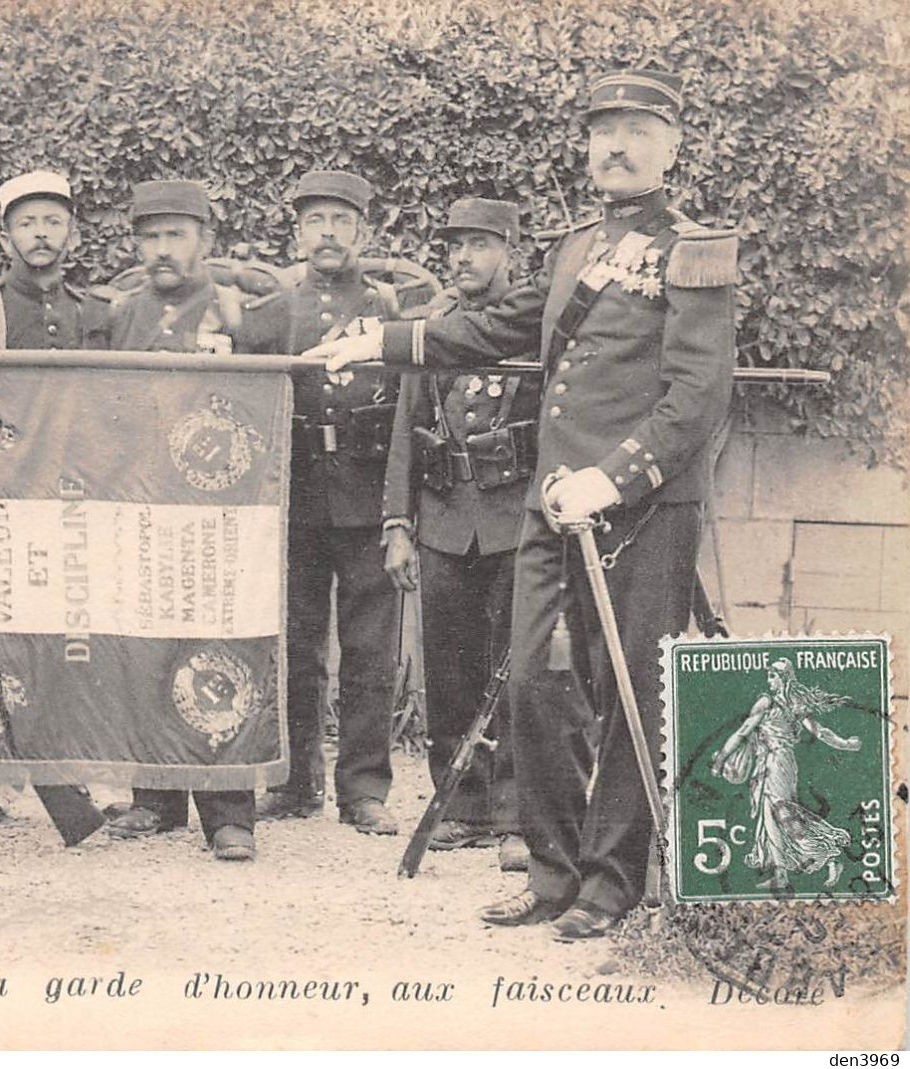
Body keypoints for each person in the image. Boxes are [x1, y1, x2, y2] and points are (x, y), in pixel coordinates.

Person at [309, 69, 738, 939]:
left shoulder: (695, 250)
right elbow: (501, 331)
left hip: (641, 509)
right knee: (537, 692)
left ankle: (612, 883)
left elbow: (697, 396)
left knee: (630, 695)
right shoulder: (574, 247)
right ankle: (552, 871)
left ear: (672, 146)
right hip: (552, 510)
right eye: (602, 132)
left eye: (637, 132)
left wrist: (611, 477)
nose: (616, 146)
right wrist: (382, 339)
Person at [101, 179, 259, 862]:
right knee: (144, 646)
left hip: (219, 510)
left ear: (205, 241)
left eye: (176, 236)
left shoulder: (234, 309)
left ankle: (228, 809)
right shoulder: (122, 313)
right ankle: (153, 796)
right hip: (142, 502)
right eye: (150, 237)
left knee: (221, 647)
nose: (162, 250)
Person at [243, 171, 404, 833]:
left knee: (369, 650)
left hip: (367, 493)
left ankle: (363, 789)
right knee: (296, 644)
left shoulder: (389, 307)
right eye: (315, 221)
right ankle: (293, 781)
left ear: (363, 231)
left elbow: (405, 405)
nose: (328, 233)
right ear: (298, 232)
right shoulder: (277, 309)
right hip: (299, 493)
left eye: (340, 220)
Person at [382, 197, 532, 871]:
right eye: (454, 246)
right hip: (444, 522)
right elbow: (404, 435)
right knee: (447, 673)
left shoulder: (532, 328)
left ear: (508, 250)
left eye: (477, 244)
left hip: (513, 522)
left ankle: (514, 815)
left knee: (519, 673)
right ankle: (460, 805)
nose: (462, 258)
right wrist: (396, 526)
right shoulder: (432, 328)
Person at [0, 169, 110, 824]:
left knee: (77, 631)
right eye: (27, 223)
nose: (40, 234)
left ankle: (82, 766)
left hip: (75, 492)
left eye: (52, 221)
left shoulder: (94, 311)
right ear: (5, 235)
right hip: (1, 491)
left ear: (71, 232)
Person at [711, 658, 859, 890]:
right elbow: (820, 732)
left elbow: (742, 732)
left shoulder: (766, 702)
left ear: (784, 679)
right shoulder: (794, 705)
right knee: (772, 817)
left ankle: (830, 855)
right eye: (769, 675)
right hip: (777, 762)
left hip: (776, 763)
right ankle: (782, 874)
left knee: (781, 813)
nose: (769, 680)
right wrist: (845, 744)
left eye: (773, 676)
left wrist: (721, 759)